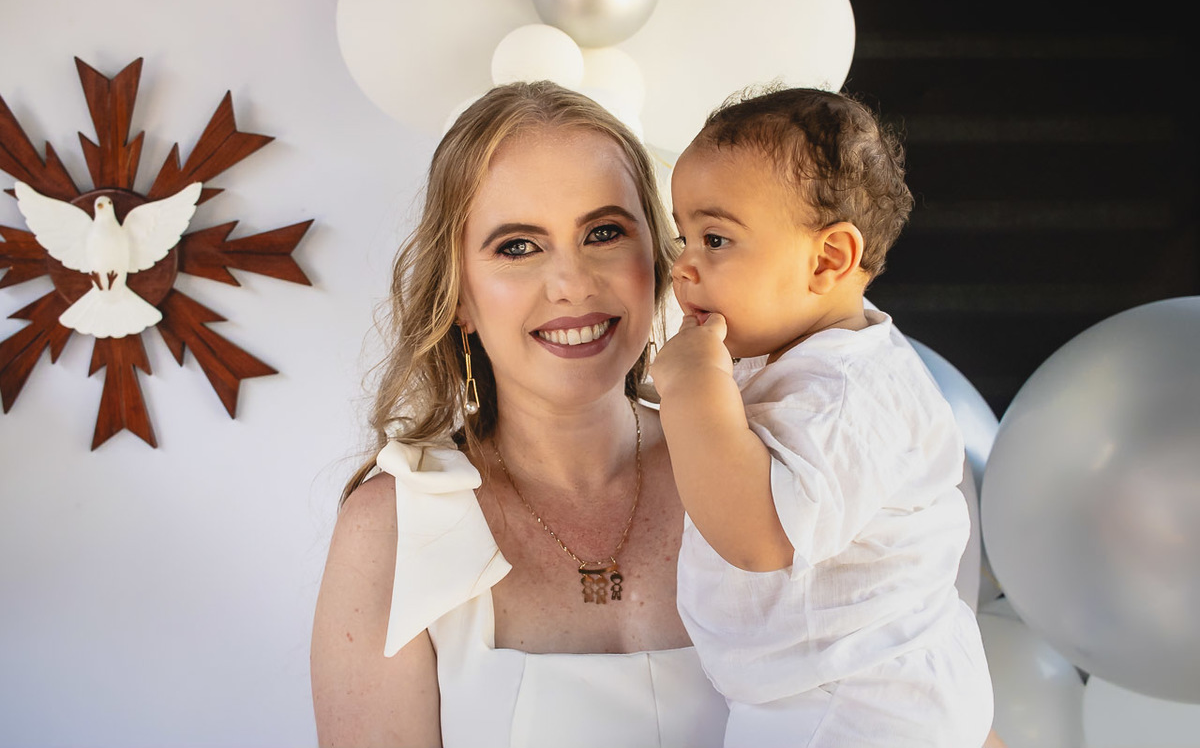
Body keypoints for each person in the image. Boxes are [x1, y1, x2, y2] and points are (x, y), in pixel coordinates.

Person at [309, 81, 730, 747]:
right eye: (517, 246)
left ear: (655, 257)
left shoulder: (766, 462)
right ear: (460, 298)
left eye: (603, 232)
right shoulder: (391, 530)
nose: (571, 282)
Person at [650, 86, 995, 747]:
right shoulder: (790, 359)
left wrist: (693, 387)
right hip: (827, 687)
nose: (683, 264)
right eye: (682, 234)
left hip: (859, 702)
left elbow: (757, 534)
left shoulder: (850, 390)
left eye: (715, 237)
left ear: (828, 259)